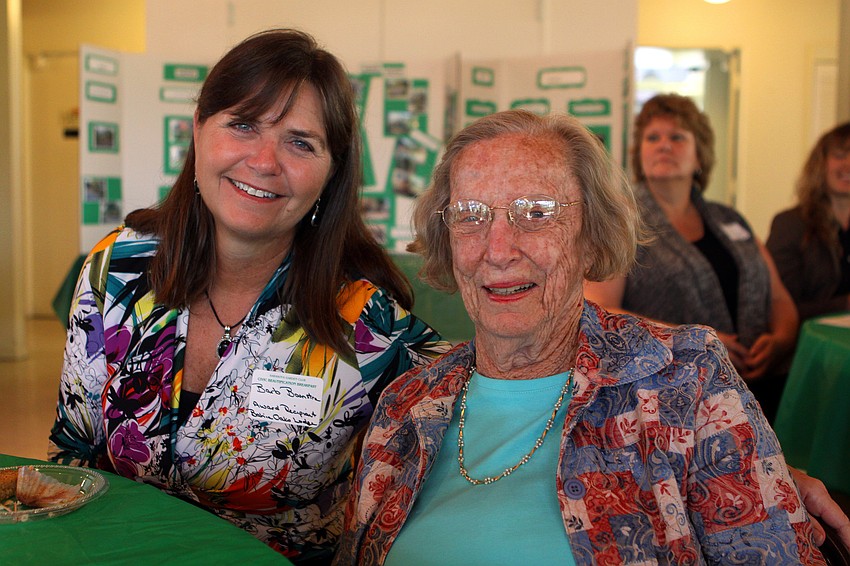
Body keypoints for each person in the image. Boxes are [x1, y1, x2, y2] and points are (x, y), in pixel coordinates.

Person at [334, 109, 826, 564]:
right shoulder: (406, 405)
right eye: (471, 215)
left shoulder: (685, 379)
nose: (498, 249)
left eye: (537, 212)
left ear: (591, 237)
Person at [47, 29, 448, 564]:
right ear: (198, 131)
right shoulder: (117, 270)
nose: (264, 161)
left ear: (332, 172)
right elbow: (73, 454)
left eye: (300, 142)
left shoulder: (370, 327)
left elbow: (471, 439)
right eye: (242, 124)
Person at [584, 93, 798, 424]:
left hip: (763, 390)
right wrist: (696, 339)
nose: (664, 145)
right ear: (640, 155)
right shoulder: (622, 222)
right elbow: (597, 309)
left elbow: (780, 298)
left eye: (677, 137)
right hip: (675, 399)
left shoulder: (730, 220)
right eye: (652, 137)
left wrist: (780, 341)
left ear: (700, 155)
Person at [767, 122, 850, 321]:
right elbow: (780, 309)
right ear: (820, 165)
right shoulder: (789, 224)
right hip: (812, 345)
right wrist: (844, 304)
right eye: (840, 155)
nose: (848, 163)